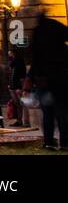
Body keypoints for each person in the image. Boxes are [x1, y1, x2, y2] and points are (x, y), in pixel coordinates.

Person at [29, 15, 68, 151]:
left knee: (48, 113)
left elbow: (34, 64)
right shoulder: (62, 49)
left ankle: (49, 141)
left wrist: (32, 80)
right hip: (61, 82)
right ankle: (65, 142)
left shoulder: (40, 46)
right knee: (63, 113)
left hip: (44, 83)